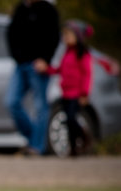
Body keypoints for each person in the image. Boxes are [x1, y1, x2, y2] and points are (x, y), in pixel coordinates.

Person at [5, 0, 60, 155]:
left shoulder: (47, 9)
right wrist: (16, 56)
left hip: (38, 65)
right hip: (20, 64)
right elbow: (11, 33)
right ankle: (33, 138)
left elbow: (54, 36)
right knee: (11, 102)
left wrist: (45, 59)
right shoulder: (21, 8)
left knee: (40, 106)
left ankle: (37, 147)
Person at [35, 20, 94, 156]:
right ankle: (73, 148)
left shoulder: (83, 54)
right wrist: (47, 69)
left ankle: (83, 135)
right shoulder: (67, 54)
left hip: (76, 93)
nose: (65, 38)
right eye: (65, 35)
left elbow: (87, 74)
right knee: (67, 120)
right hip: (66, 93)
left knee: (72, 119)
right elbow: (60, 70)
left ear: (77, 37)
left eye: (68, 35)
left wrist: (84, 93)